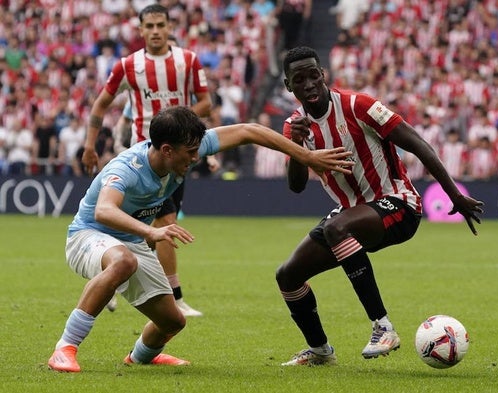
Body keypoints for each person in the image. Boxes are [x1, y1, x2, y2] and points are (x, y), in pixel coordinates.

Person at [47, 105, 353, 373]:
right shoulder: (127, 169)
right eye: (190, 153)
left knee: (173, 322)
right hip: (89, 235)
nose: (196, 158)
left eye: (197, 150)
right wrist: (151, 231)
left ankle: (140, 358)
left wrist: (307, 156)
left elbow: (249, 131)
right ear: (167, 150)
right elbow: (103, 211)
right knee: (123, 261)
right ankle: (65, 348)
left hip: (130, 239)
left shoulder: (187, 145)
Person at [276, 46, 484, 366]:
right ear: (289, 86)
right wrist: (297, 147)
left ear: (323, 75)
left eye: (313, 75)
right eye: (299, 79)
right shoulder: (295, 127)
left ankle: (382, 328)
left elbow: (417, 143)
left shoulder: (360, 105)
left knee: (336, 227)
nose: (309, 84)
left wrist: (454, 195)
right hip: (351, 214)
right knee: (288, 276)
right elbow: (296, 185)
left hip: (398, 203)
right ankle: (320, 351)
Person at [82, 4, 212, 317]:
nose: (155, 31)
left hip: (177, 157)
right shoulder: (128, 65)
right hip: (144, 159)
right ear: (140, 30)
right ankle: (175, 295)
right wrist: (89, 145)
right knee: (165, 223)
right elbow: (100, 105)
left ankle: (109, 278)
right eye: (149, 26)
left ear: (170, 28)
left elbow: (206, 102)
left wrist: (180, 126)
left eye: (160, 25)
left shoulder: (188, 60)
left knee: (146, 231)